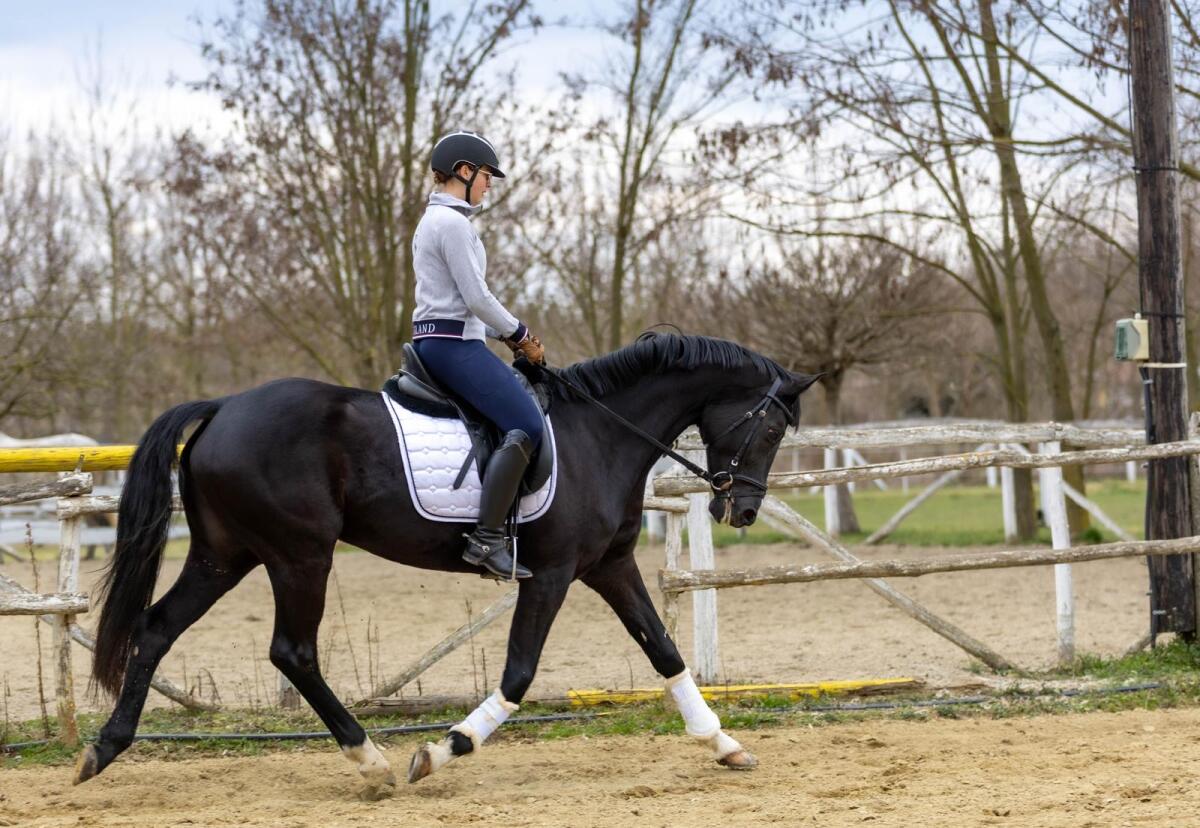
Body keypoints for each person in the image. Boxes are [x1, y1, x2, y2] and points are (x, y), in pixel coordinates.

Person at [410, 131, 545, 580]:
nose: (489, 184)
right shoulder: (453, 225)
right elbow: (477, 298)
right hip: (453, 347)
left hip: (445, 337)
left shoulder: (434, 221)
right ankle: (486, 539)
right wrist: (521, 334)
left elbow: (457, 306)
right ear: (464, 171)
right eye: (487, 175)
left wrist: (501, 336)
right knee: (526, 424)